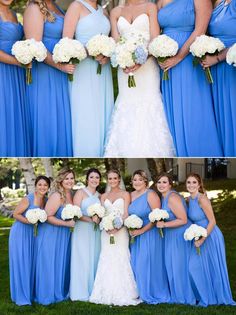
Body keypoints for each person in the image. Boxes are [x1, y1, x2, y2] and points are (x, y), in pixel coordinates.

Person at [104, 0, 175, 157]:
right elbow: (116, 43)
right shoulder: (115, 12)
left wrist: (140, 60)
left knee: (150, 103)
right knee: (126, 103)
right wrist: (122, 59)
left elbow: (155, 40)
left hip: (148, 67)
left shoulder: (150, 7)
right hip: (125, 70)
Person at [157, 0, 222, 156]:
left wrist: (179, 57)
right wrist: (158, 53)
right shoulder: (161, 1)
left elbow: (200, 30)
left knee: (193, 109)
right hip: (166, 60)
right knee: (172, 111)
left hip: (188, 60)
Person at [63, 0, 114, 157]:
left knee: (103, 112)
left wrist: (106, 56)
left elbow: (111, 41)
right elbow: (66, 42)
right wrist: (89, 50)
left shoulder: (103, 11)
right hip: (83, 69)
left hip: (103, 70)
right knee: (86, 112)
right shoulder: (76, 6)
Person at [24, 0, 74, 156]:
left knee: (60, 121)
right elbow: (36, 46)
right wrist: (60, 66)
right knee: (48, 121)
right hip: (45, 73)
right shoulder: (34, 8)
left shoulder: (56, 6)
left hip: (60, 73)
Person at [90, 170, 141, 306]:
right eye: (110, 178)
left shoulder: (125, 194)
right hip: (105, 232)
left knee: (121, 256)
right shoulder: (103, 196)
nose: (112, 181)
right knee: (106, 256)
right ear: (107, 180)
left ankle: (125, 292)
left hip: (121, 231)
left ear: (119, 180)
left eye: (115, 178)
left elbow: (125, 213)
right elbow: (101, 213)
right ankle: (104, 291)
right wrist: (104, 225)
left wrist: (117, 227)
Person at [186, 173, 235, 306]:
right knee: (193, 267)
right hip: (197, 235)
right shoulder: (189, 200)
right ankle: (204, 295)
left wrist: (202, 239)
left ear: (199, 184)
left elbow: (213, 221)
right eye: (188, 182)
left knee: (212, 267)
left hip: (210, 235)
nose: (191, 185)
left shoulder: (202, 199)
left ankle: (215, 297)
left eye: (194, 182)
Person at [128, 170, 170, 304]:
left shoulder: (151, 194)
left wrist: (142, 231)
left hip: (150, 234)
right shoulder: (130, 195)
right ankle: (139, 291)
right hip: (135, 235)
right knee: (136, 263)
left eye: (140, 179)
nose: (137, 182)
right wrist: (131, 227)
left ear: (145, 181)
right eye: (135, 180)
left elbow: (156, 217)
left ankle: (152, 292)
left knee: (147, 263)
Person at [34, 168, 75, 305]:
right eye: (67, 178)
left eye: (71, 178)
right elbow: (47, 216)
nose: (69, 181)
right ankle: (46, 294)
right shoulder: (57, 196)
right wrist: (66, 223)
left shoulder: (70, 195)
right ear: (61, 181)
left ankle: (58, 291)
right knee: (49, 263)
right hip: (51, 234)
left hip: (63, 234)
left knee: (59, 262)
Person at [9, 175, 50, 305]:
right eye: (40, 185)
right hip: (21, 233)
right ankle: (21, 296)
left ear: (48, 187)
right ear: (36, 186)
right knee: (22, 262)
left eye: (45, 185)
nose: (42, 187)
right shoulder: (28, 199)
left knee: (31, 263)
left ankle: (30, 293)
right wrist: (30, 221)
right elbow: (15, 214)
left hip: (34, 234)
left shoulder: (46, 200)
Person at [156, 173, 195, 305]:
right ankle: (177, 294)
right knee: (172, 265)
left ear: (170, 184)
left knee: (179, 266)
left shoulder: (172, 197)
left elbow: (183, 219)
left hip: (179, 234)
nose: (161, 185)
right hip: (171, 235)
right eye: (159, 182)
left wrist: (164, 224)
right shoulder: (164, 197)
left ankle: (184, 296)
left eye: (164, 182)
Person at [204, 0, 236, 156]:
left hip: (231, 65)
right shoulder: (217, 2)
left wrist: (216, 58)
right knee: (221, 115)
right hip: (216, 71)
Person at [0, 0, 30, 156]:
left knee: (17, 115)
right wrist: (18, 62)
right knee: (5, 112)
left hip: (17, 73)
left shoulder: (13, 13)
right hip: (3, 72)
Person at [70, 168, 101, 301]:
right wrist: (90, 220)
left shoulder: (100, 196)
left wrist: (98, 219)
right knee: (82, 257)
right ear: (87, 179)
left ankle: (93, 289)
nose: (94, 180)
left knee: (94, 256)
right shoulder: (80, 192)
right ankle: (80, 291)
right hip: (82, 229)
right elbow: (76, 212)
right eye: (92, 177)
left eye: (97, 177)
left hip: (95, 231)